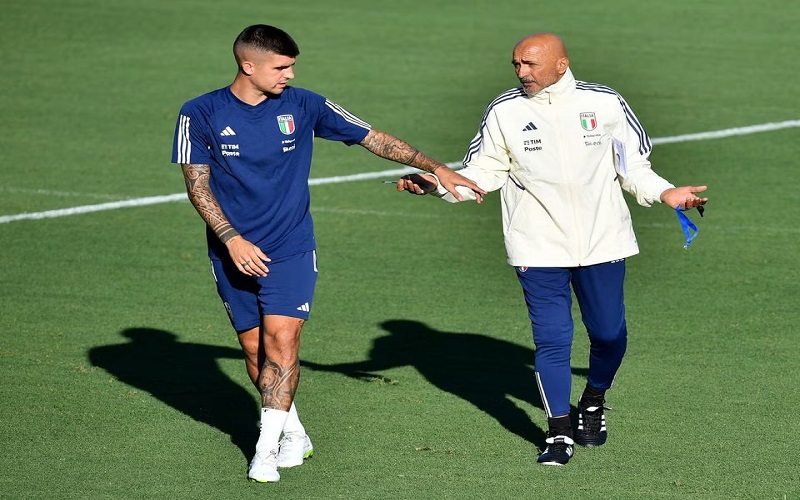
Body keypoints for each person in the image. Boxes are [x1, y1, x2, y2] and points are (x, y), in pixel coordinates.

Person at [171, 24, 484, 483]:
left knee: (282, 341)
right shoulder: (199, 113)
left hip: (290, 246)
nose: (290, 75)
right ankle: (294, 432)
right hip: (232, 249)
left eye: (292, 66)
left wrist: (437, 167)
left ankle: (264, 452)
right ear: (248, 65)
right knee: (255, 351)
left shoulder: (305, 105)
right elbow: (197, 185)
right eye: (281, 67)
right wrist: (231, 238)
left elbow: (373, 137)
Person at [396, 33, 707, 466]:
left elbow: (633, 167)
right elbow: (483, 171)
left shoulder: (605, 103)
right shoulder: (504, 110)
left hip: (603, 241)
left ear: (561, 64)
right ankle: (558, 430)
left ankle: (593, 400)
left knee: (608, 334)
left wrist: (667, 192)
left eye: (530, 64)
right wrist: (436, 185)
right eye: (516, 64)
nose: (520, 72)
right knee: (553, 340)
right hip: (536, 246)